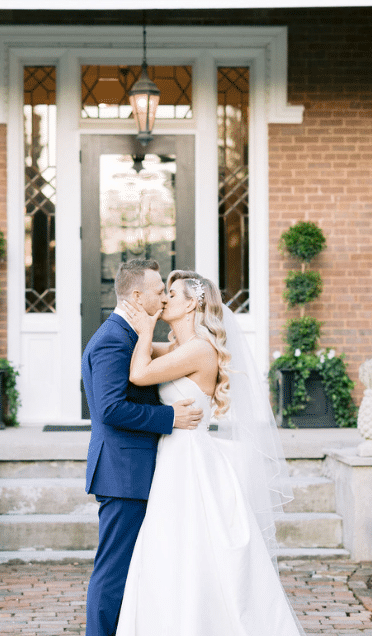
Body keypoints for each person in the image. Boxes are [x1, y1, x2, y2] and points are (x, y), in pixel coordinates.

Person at [115, 270, 306, 636]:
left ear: (192, 304)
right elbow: (132, 356)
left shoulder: (200, 349)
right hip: (174, 456)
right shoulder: (178, 348)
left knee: (195, 545)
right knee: (171, 546)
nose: (165, 299)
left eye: (172, 293)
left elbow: (139, 374)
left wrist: (143, 330)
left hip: (190, 460)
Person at [82, 259, 205, 636]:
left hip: (138, 470)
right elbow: (109, 408)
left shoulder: (130, 335)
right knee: (114, 571)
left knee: (134, 570)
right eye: (157, 292)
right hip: (124, 472)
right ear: (137, 296)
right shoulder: (112, 339)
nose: (164, 298)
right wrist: (169, 418)